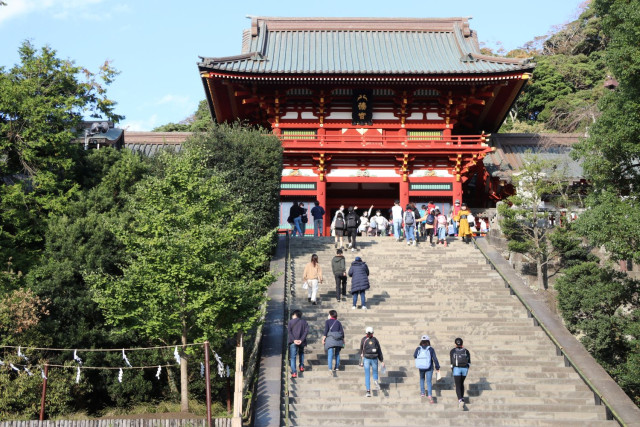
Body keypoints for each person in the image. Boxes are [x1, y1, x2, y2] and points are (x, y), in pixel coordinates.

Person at [413, 335, 440, 403]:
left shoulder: (418, 348)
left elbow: (415, 355)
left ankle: (422, 392)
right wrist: (437, 367)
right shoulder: (430, 349)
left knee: (422, 379)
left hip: (421, 366)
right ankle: (430, 395)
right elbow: (435, 358)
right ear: (428, 341)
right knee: (428, 381)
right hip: (429, 367)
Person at [360, 326, 385, 397]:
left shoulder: (363, 339)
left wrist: (361, 361)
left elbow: (361, 351)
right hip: (374, 358)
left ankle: (368, 391)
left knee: (367, 375)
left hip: (366, 358)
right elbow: (379, 350)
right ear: (372, 332)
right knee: (375, 372)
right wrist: (382, 360)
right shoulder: (375, 340)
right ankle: (375, 381)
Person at [450, 337, 471, 410]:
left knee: (458, 384)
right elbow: (469, 361)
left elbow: (451, 362)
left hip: (456, 369)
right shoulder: (466, 351)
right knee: (461, 383)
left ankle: (460, 400)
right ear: (462, 343)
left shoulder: (452, 351)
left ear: (455, 343)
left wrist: (453, 369)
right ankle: (462, 398)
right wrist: (467, 367)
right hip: (464, 368)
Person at [322, 310, 345, 376]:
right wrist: (343, 340)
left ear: (330, 315)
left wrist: (323, 338)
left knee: (330, 354)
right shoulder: (338, 322)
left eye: (328, 314)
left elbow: (326, 330)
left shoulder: (327, 321)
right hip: (338, 340)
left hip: (330, 340)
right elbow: (342, 332)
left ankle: (330, 368)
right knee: (337, 353)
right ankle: (337, 367)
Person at [287, 310, 309, 379]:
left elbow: (289, 332)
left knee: (293, 357)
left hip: (293, 342)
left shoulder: (290, 322)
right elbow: (306, 331)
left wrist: (294, 340)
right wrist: (301, 340)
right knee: (301, 353)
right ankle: (301, 366)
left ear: (294, 314)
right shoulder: (304, 322)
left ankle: (294, 372)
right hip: (302, 342)